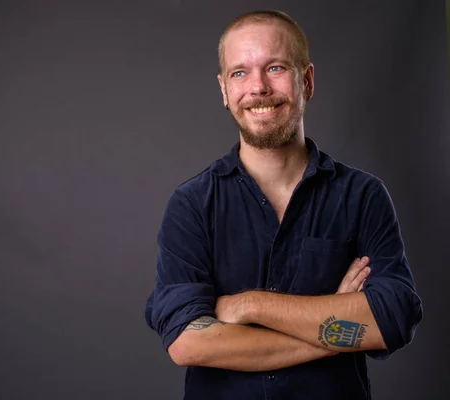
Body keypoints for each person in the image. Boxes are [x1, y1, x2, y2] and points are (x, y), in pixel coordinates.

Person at [144, 10, 422, 400]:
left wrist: (251, 305)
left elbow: (393, 318)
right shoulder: (191, 205)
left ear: (305, 81)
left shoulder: (363, 195)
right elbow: (189, 343)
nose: (258, 87)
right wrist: (335, 328)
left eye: (274, 67)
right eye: (240, 73)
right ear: (224, 90)